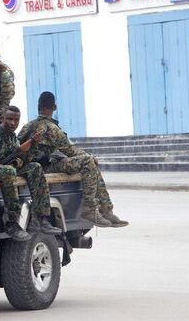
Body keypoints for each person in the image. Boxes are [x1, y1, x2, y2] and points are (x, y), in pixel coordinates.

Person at [18, 91, 129, 228]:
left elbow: (17, 146)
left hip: (32, 167)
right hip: (45, 167)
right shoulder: (51, 128)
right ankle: (92, 209)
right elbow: (70, 151)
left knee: (89, 161)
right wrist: (90, 157)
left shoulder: (27, 126)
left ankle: (106, 209)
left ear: (38, 106)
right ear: (54, 107)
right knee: (88, 161)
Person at [0, 105, 58, 241]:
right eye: (9, 119)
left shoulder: (13, 137)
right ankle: (12, 222)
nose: (12, 123)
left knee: (35, 167)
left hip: (7, 169)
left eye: (16, 120)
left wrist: (32, 145)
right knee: (9, 171)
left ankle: (40, 218)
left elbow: (23, 159)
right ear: (3, 118)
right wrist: (9, 165)